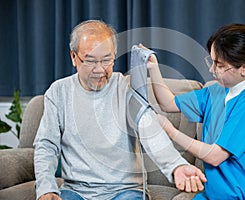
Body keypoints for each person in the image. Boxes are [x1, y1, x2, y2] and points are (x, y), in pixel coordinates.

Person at [33, 20, 207, 200]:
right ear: (73, 57)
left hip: (126, 191)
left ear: (115, 55)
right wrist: (46, 189)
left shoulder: (127, 88)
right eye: (91, 60)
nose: (100, 69)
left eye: (107, 60)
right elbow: (46, 145)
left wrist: (176, 165)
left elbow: (150, 130)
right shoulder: (58, 92)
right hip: (76, 191)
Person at [146, 23, 245, 199]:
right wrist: (153, 68)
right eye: (212, 61)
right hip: (218, 193)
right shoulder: (216, 91)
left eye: (220, 65)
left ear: (244, 68)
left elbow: (214, 156)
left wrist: (170, 131)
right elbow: (168, 103)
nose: (212, 70)